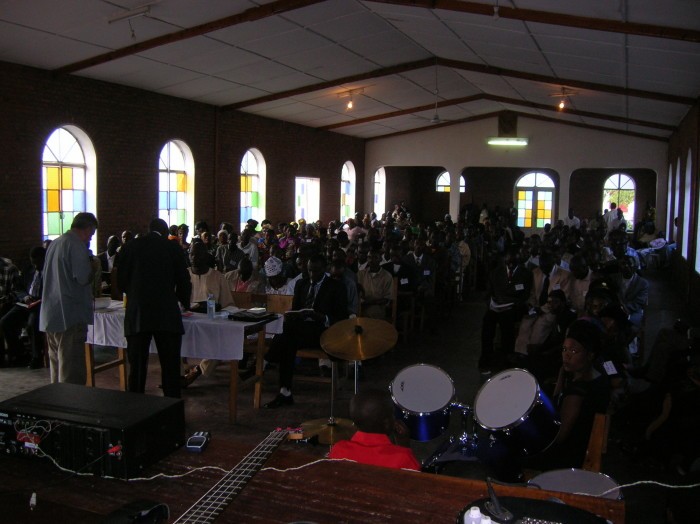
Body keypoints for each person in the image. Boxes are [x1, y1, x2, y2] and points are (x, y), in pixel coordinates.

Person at [117, 218, 192, 398]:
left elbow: (121, 281)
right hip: (166, 312)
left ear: (149, 230)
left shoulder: (130, 246)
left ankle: (136, 405)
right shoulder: (172, 248)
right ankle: (171, 405)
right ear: (165, 232)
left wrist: (135, 296)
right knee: (170, 365)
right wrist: (184, 303)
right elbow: (183, 280)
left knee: (137, 366)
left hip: (138, 313)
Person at [263, 254, 347, 408]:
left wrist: (321, 317)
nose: (312, 275)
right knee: (287, 340)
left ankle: (267, 361)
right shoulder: (301, 284)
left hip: (324, 332)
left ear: (325, 269)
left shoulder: (336, 287)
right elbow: (296, 310)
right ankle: (285, 392)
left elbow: (342, 318)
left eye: (316, 271)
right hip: (301, 331)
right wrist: (293, 315)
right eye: (309, 270)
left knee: (286, 335)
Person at [39, 212, 99, 385]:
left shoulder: (56, 243)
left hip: (52, 313)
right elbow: (83, 278)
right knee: (71, 371)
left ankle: (57, 399)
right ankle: (70, 401)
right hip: (70, 316)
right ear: (88, 228)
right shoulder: (76, 245)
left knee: (57, 367)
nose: (90, 238)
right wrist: (93, 267)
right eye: (91, 233)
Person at [328, 388, 420, 471]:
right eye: (392, 414)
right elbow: (414, 480)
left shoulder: (339, 450)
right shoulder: (402, 458)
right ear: (387, 424)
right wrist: (404, 445)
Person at [0, 247, 46, 368]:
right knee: (5, 322)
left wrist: (39, 300)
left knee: (32, 324)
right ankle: (19, 353)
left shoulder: (49, 272)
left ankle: (36, 357)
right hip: (26, 302)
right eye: (33, 263)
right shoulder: (28, 270)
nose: (36, 266)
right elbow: (19, 288)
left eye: (38, 263)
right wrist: (25, 297)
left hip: (40, 304)